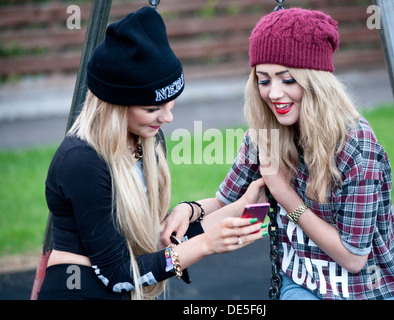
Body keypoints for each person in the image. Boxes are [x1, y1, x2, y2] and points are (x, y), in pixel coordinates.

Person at [161, 8, 394, 300]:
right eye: (264, 80)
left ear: (315, 81)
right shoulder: (264, 136)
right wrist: (189, 209)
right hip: (304, 285)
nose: (274, 93)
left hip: (372, 289)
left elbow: (353, 257)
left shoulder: (356, 146)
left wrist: (285, 195)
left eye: (288, 79)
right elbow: (226, 202)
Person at [38, 6, 267, 300]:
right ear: (116, 105)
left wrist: (242, 208)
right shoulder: (82, 161)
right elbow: (118, 274)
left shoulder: (149, 140)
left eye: (171, 104)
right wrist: (206, 244)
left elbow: (160, 246)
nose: (167, 118)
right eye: (152, 108)